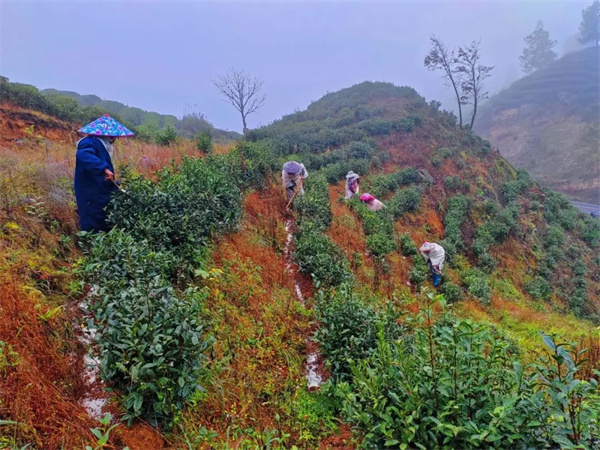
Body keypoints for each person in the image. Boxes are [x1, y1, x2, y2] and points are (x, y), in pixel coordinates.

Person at [74, 114, 134, 232]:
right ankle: (91, 245)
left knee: (102, 216)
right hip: (89, 189)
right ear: (109, 136)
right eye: (114, 137)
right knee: (92, 218)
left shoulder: (100, 144)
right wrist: (103, 168)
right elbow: (83, 155)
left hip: (99, 188)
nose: (114, 141)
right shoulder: (89, 142)